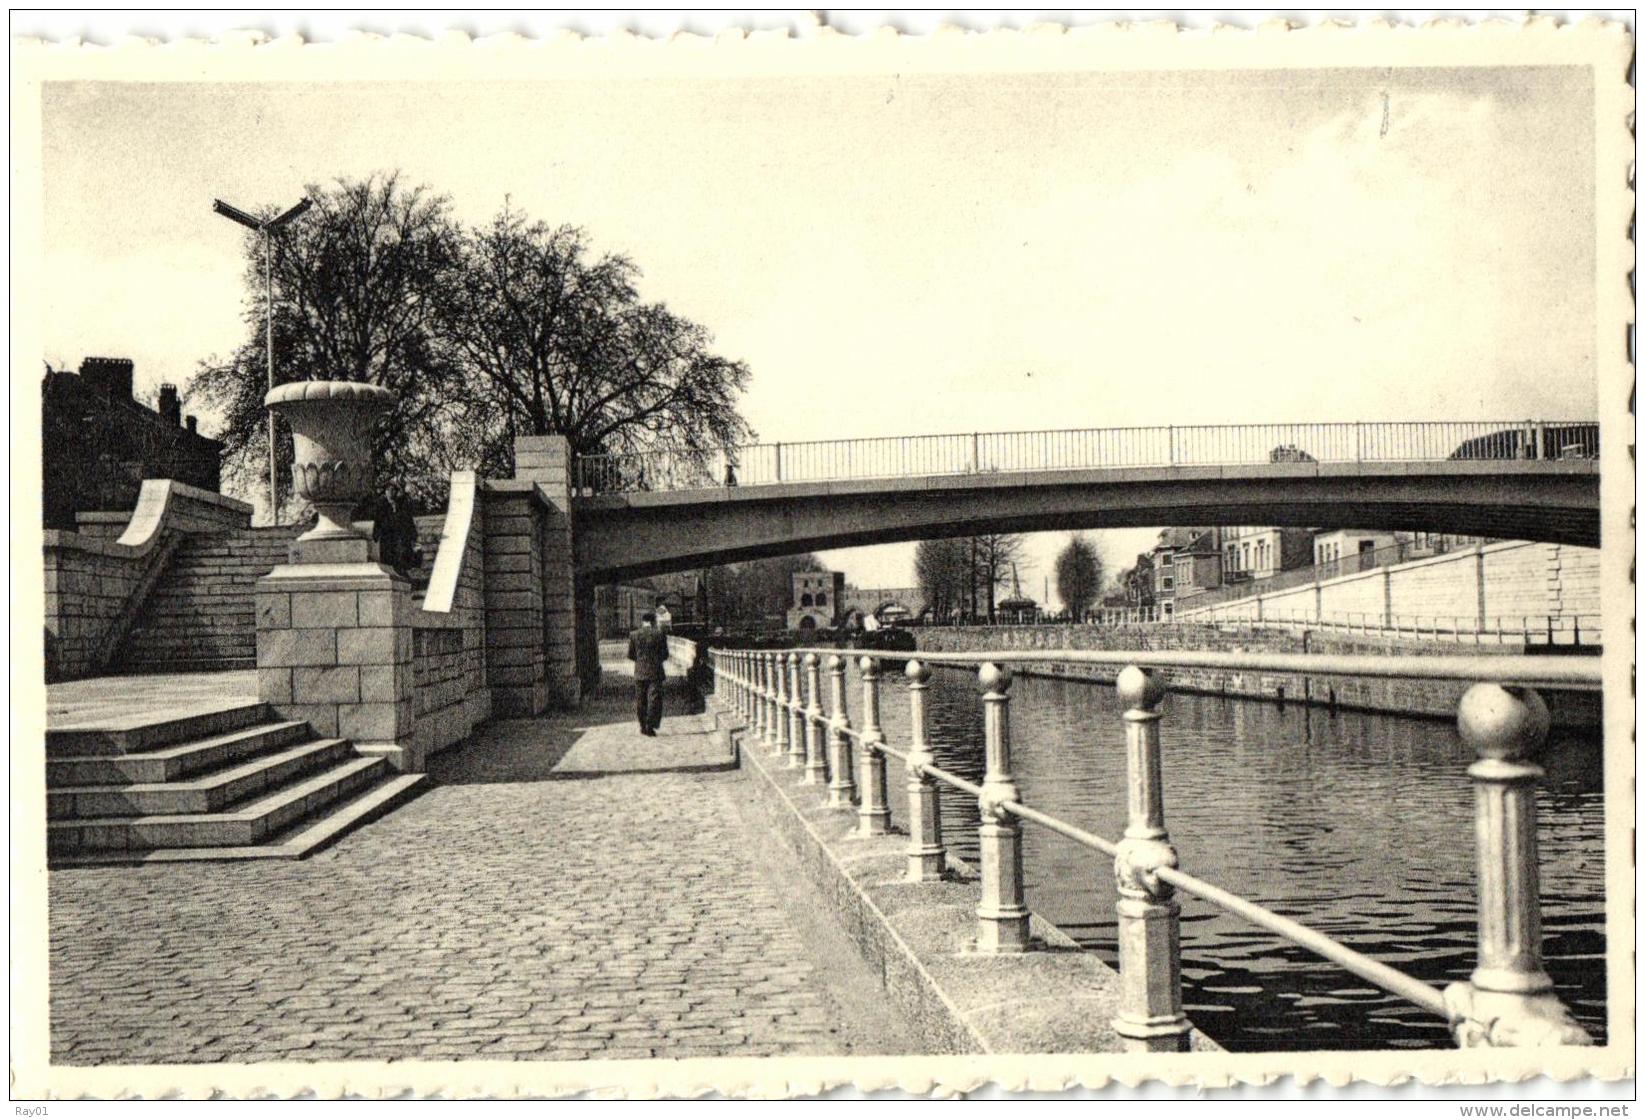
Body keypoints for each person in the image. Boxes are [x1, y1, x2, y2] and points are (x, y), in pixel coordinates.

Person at [626, 612, 667, 736]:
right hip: (655, 671)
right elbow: (665, 654)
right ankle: (650, 725)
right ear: (653, 621)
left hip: (639, 672)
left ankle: (643, 725)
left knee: (641, 699)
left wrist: (640, 661)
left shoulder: (634, 635)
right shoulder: (659, 634)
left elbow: (630, 655)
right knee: (654, 698)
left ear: (642, 621)